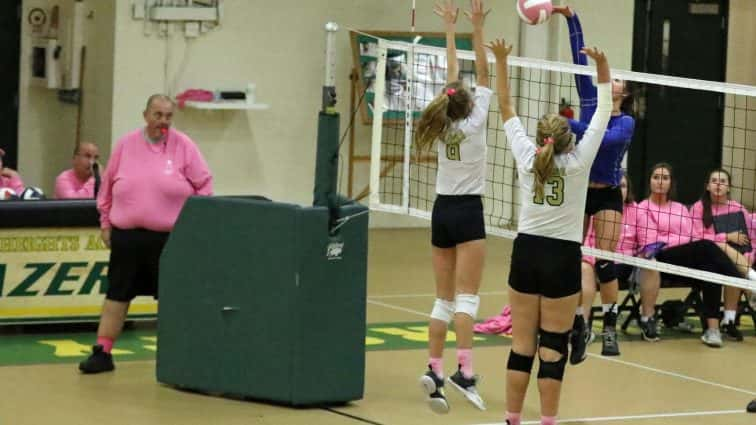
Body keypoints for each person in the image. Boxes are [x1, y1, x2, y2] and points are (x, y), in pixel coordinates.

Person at [491, 34, 612, 425]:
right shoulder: (578, 164)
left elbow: (506, 106)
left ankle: (512, 418)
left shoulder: (528, 157)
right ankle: (547, 421)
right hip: (562, 258)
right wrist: (602, 69)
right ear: (567, 139)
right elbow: (604, 111)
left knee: (521, 345)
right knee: (554, 346)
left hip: (526, 252)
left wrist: (501, 60)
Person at [78, 94, 213, 373]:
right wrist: (105, 222)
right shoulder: (126, 145)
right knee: (117, 295)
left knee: (174, 298)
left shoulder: (184, 146)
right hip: (128, 237)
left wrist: (196, 226)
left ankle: (182, 355)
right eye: (157, 115)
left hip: (170, 239)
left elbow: (205, 186)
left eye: (168, 116)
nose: (162, 121)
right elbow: (107, 189)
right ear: (145, 115)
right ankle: (102, 352)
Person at [416, 0, 491, 414]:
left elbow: (453, 77)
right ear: (469, 101)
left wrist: (449, 28)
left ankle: (434, 369)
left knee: (442, 300)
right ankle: (464, 371)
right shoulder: (476, 119)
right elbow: (481, 73)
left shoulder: (442, 122)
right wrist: (475, 28)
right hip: (467, 212)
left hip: (441, 210)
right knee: (467, 299)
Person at [553, 5, 636, 358]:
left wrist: (568, 124)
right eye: (610, 75)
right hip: (578, 190)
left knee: (604, 261)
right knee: (570, 257)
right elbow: (577, 53)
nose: (612, 80)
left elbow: (603, 138)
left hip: (607, 195)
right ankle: (575, 322)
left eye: (618, 79)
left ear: (624, 92)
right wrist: (570, 16)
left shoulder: (626, 122)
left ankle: (611, 327)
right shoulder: (589, 97)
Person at [635, 163, 756, 348]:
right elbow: (650, 242)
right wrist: (678, 239)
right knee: (707, 246)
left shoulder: (680, 208)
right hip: (661, 259)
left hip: (688, 257)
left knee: (711, 268)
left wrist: (677, 238)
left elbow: (692, 235)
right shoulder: (643, 207)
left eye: (665, 178)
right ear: (650, 181)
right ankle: (747, 285)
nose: (660, 182)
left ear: (671, 183)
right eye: (656, 177)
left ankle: (712, 330)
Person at [690, 168, 755, 341]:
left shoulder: (739, 209)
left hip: (738, 261)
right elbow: (696, 238)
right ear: (707, 187)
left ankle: (728, 320)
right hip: (707, 261)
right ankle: (752, 283)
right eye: (714, 181)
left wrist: (748, 257)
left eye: (723, 181)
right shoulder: (699, 208)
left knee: (734, 265)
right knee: (720, 248)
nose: (718, 184)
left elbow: (752, 241)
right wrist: (727, 237)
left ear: (729, 188)